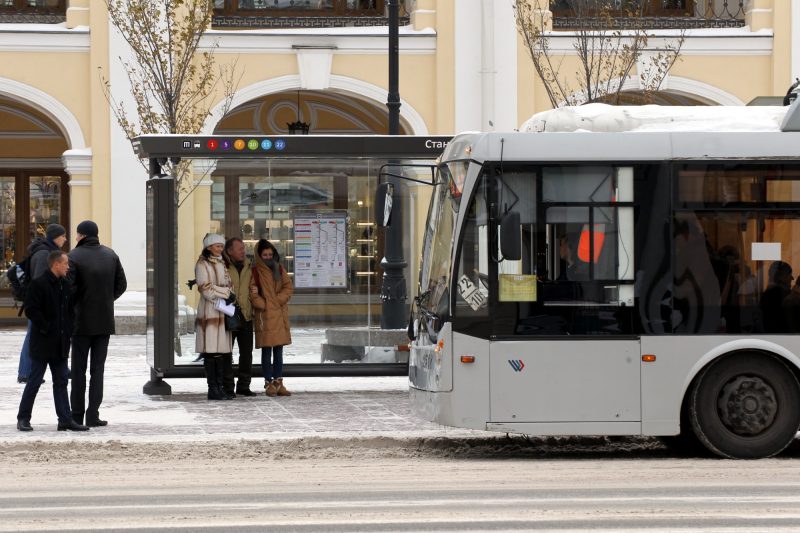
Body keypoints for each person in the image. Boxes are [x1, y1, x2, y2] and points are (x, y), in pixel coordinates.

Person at [16, 251, 88, 432]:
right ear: (56, 264)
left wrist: (69, 329)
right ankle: (23, 418)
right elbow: (32, 310)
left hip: (60, 343)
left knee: (61, 381)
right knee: (34, 381)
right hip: (42, 343)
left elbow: (70, 312)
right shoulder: (39, 284)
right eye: (65, 264)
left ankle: (65, 419)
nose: (68, 267)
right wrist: (46, 327)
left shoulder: (65, 285)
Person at [68, 220, 128, 427]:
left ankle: (76, 415)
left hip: (80, 322)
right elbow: (122, 284)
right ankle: (93, 414)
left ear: (82, 235)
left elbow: (68, 289)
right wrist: (106, 299)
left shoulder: (73, 257)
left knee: (78, 370)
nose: (75, 238)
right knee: (98, 370)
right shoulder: (111, 255)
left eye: (77, 234)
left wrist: (77, 305)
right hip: (104, 322)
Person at [17, 223, 67, 384]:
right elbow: (40, 282)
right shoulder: (43, 254)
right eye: (63, 236)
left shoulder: (48, 252)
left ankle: (62, 369)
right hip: (39, 305)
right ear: (55, 237)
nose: (65, 240)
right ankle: (25, 372)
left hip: (42, 303)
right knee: (32, 335)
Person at [250, 239, 293, 397]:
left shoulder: (279, 269)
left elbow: (288, 287)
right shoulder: (254, 271)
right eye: (265, 254)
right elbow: (252, 293)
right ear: (259, 256)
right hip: (265, 317)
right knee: (267, 353)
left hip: (279, 316)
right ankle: (268, 382)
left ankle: (278, 382)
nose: (268, 257)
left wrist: (278, 300)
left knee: (279, 353)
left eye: (270, 254)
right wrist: (266, 304)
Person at [195, 233, 234, 401]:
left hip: (222, 311)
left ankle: (219, 387)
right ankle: (213, 388)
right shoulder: (202, 264)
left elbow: (229, 284)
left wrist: (227, 292)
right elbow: (205, 289)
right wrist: (225, 293)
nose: (220, 249)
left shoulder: (222, 263)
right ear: (209, 247)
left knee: (220, 353)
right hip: (210, 312)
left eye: (221, 246)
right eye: (217, 246)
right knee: (211, 352)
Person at [224, 237, 256, 397]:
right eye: (240, 249)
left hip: (246, 315)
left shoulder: (250, 266)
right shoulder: (223, 267)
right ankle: (228, 387)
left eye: (243, 248)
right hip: (229, 315)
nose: (243, 251)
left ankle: (244, 386)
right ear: (230, 251)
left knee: (246, 353)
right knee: (226, 353)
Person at [760, 260, 793, 333]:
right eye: (789, 275)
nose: (792, 278)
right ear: (781, 277)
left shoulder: (766, 295)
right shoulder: (786, 295)